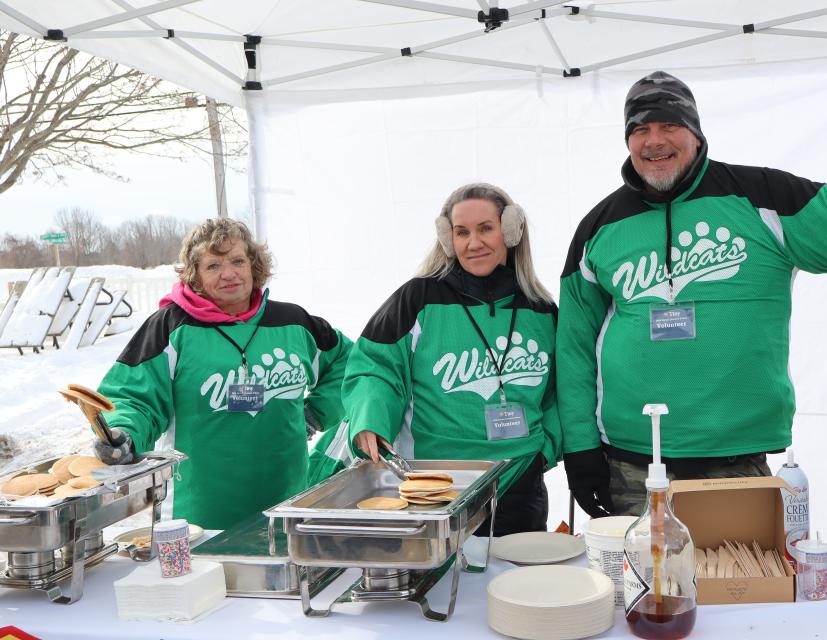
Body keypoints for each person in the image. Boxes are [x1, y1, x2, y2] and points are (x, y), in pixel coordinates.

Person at [558, 71, 827, 517]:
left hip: (736, 465)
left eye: (668, 126)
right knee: (643, 585)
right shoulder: (599, 228)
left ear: (694, 133)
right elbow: (574, 348)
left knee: (743, 587)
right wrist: (579, 448)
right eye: (640, 130)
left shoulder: (763, 198)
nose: (654, 141)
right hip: (632, 468)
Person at [94, 218, 353, 530]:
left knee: (283, 577)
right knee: (203, 581)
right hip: (195, 520)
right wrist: (123, 432)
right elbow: (133, 396)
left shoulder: (293, 323)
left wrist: (315, 414)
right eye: (213, 265)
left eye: (238, 261)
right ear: (196, 276)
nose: (229, 274)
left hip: (286, 509)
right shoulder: (171, 327)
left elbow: (350, 364)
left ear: (254, 266)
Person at [344, 183, 561, 536]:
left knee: (519, 583)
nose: (473, 243)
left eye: (486, 229)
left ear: (510, 231)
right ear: (448, 239)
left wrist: (543, 453)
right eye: (462, 233)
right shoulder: (417, 298)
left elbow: (558, 391)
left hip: (522, 482)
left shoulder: (541, 309)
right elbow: (375, 366)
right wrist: (370, 418)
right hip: (437, 483)